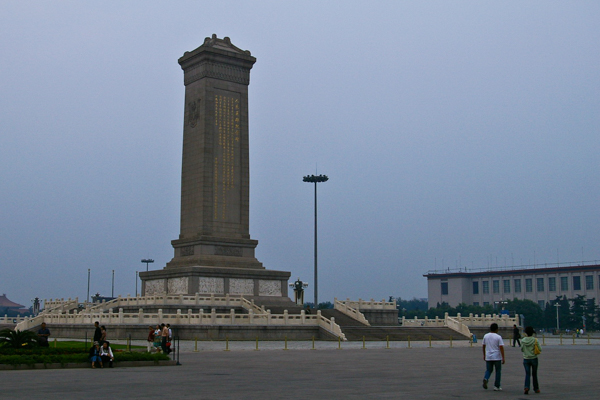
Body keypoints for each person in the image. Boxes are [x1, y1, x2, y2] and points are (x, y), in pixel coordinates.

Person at [482, 323, 505, 391]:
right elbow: (501, 347)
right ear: (497, 329)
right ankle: (496, 386)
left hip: (488, 356)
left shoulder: (486, 336)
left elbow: (483, 346)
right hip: (497, 357)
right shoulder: (498, 337)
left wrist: (484, 355)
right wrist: (503, 357)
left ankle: (486, 378)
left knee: (489, 370)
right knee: (498, 371)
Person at [521, 326, 541, 394]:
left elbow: (522, 349)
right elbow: (540, 349)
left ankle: (526, 387)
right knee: (534, 374)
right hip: (534, 358)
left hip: (526, 359)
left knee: (527, 374)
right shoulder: (535, 340)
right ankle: (536, 388)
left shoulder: (523, 340)